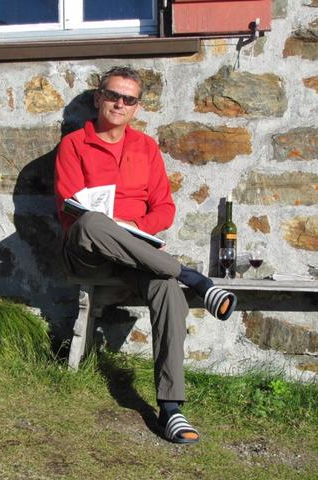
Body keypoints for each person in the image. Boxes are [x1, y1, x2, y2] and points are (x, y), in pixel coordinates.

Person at [54, 66, 237, 444]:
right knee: (92, 222)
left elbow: (164, 209)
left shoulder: (146, 148)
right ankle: (194, 278)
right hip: (89, 251)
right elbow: (68, 210)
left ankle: (171, 408)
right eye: (112, 95)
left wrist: (134, 227)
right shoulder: (74, 144)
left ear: (137, 107)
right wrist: (113, 227)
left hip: (135, 256)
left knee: (167, 289)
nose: (119, 104)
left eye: (129, 99)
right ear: (98, 98)